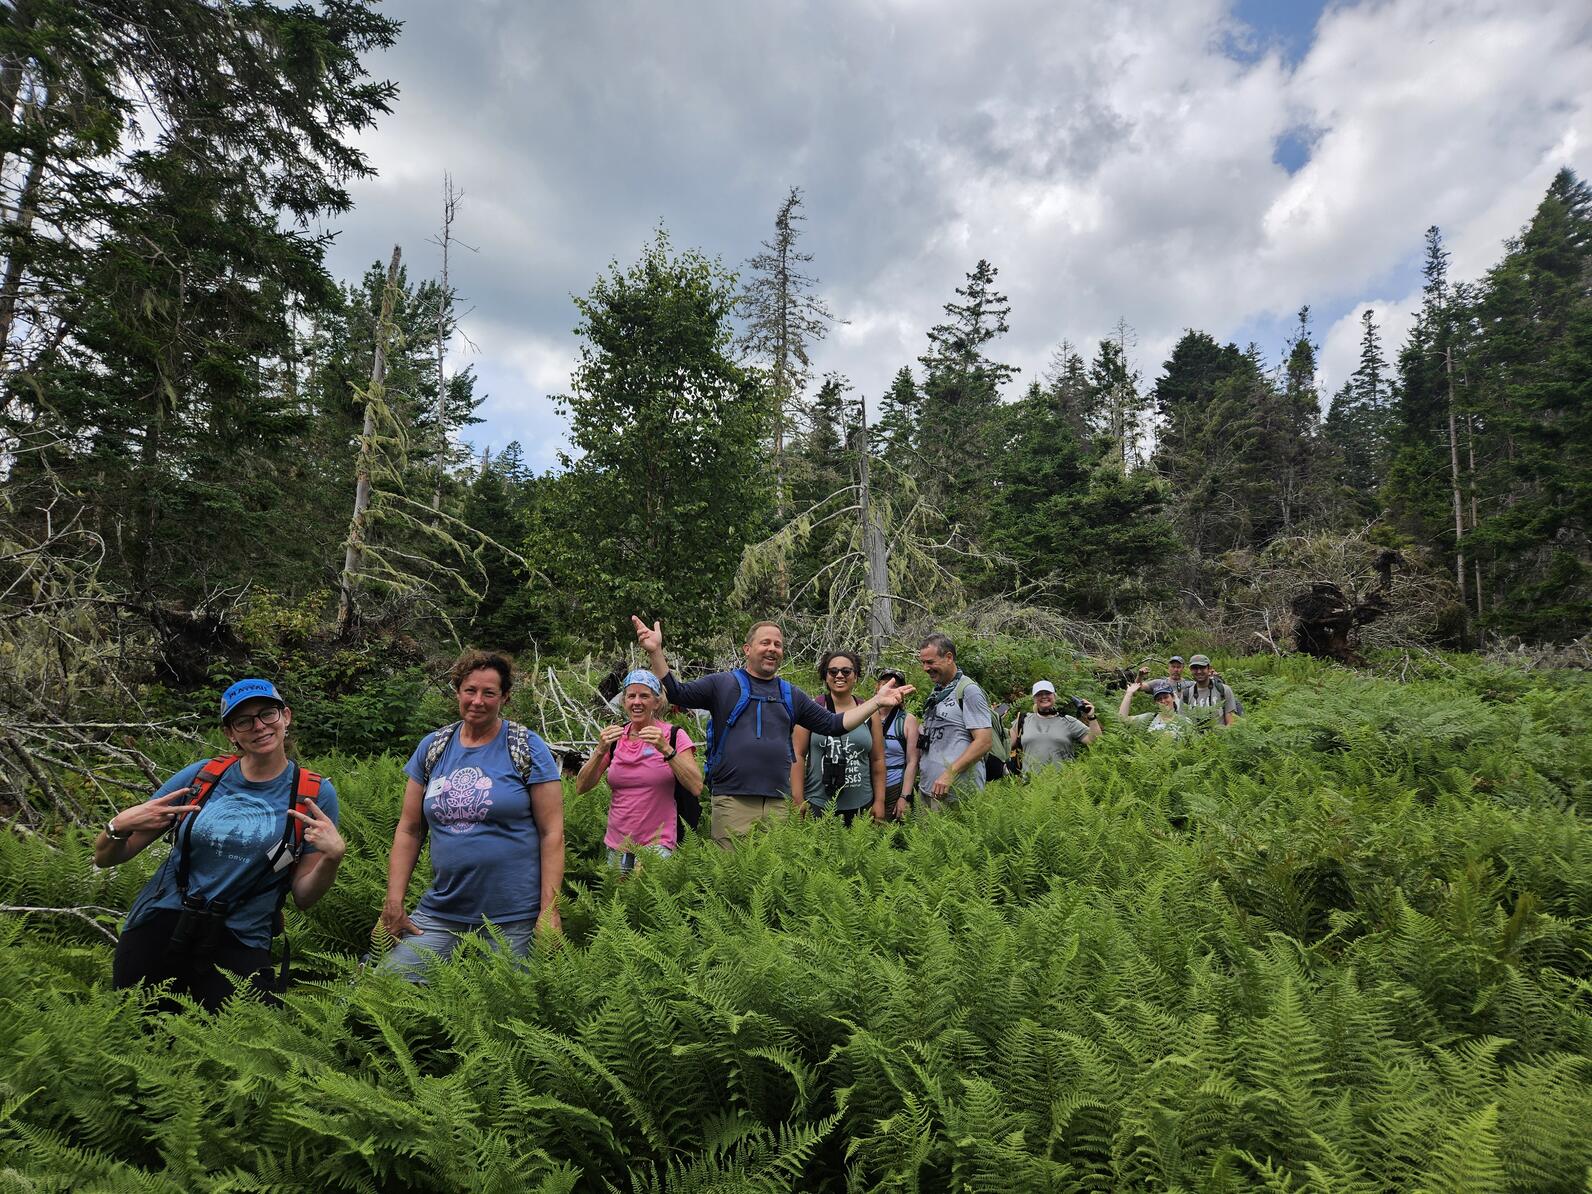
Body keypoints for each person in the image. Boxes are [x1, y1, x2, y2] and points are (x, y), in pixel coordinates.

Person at [97, 678, 344, 1011]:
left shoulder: (312, 794)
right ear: (231, 733)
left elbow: (304, 896)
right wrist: (118, 826)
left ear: (286, 716)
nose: (259, 726)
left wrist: (332, 858)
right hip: (159, 923)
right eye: (243, 721)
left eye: (267, 714)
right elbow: (107, 857)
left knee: (232, 1050)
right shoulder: (203, 776)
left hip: (241, 937)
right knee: (136, 1036)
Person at [630, 615, 912, 847]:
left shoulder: (791, 694)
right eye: (765, 642)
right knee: (733, 878)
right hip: (732, 799)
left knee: (770, 882)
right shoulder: (722, 684)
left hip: (778, 802)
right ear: (747, 649)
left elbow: (833, 725)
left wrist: (875, 702)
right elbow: (678, 693)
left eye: (778, 644)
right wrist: (655, 651)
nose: (772, 648)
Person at [379, 649, 565, 980]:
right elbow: (409, 829)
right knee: (382, 990)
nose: (477, 700)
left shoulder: (525, 746)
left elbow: (552, 832)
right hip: (442, 911)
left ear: (505, 697)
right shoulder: (434, 747)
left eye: (489, 692)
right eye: (470, 690)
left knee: (502, 1011)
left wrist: (549, 911)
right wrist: (394, 901)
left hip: (513, 916)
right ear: (457, 692)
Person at [575, 669, 702, 874]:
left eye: (644, 696)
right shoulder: (615, 738)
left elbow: (696, 787)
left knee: (650, 904)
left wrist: (666, 750)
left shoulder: (672, 736)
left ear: (656, 702)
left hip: (658, 845)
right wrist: (600, 751)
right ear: (624, 701)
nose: (637, 702)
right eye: (631, 696)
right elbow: (581, 786)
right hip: (617, 844)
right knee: (619, 903)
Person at [792, 650, 886, 824]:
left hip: (862, 804)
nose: (839, 675)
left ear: (856, 676)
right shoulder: (811, 709)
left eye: (846, 671)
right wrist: (798, 798)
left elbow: (878, 759)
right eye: (833, 671)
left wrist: (879, 801)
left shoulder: (869, 712)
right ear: (825, 676)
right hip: (818, 803)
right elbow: (797, 754)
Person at [915, 633, 993, 812]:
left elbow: (984, 741)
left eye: (930, 662)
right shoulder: (937, 692)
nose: (925, 668)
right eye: (923, 663)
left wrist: (949, 774)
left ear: (948, 657)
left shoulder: (968, 691)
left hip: (957, 791)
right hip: (929, 788)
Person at [1009, 681, 1100, 777]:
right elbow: (1006, 745)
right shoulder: (1022, 720)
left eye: (1048, 693)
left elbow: (1094, 741)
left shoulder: (1068, 721)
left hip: (1063, 784)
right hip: (1029, 785)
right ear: (1034, 699)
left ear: (1054, 697)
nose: (1044, 696)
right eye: (1039, 694)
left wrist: (1091, 717)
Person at [875, 667, 920, 820]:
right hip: (868, 786)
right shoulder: (865, 715)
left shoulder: (908, 721)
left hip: (895, 785)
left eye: (895, 686)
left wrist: (905, 796)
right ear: (877, 687)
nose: (890, 688)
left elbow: (913, 761)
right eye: (885, 683)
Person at [1119, 677, 1193, 739]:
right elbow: (1122, 720)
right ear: (1156, 702)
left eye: (1166, 697)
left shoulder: (1185, 721)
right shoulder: (1149, 718)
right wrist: (1129, 694)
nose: (1163, 701)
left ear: (1173, 697)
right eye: (1159, 699)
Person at [1183, 654, 1239, 729]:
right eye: (1195, 668)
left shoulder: (1224, 690)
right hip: (1195, 739)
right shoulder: (1186, 694)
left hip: (1220, 738)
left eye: (1202, 667)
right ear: (1190, 670)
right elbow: (1183, 723)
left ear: (1209, 669)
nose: (1199, 671)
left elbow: (1231, 722)